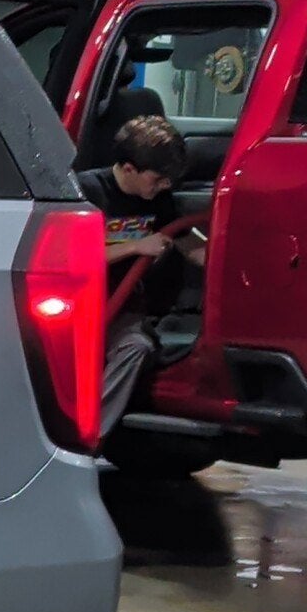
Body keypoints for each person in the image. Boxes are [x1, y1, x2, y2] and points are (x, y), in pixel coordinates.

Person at [80, 110, 205, 436]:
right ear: (129, 168)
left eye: (169, 181)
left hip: (122, 311)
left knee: (136, 346)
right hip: (81, 308)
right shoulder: (86, 192)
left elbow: (184, 240)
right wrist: (135, 247)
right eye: (157, 178)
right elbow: (66, 256)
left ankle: (89, 439)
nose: (164, 186)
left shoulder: (158, 199)